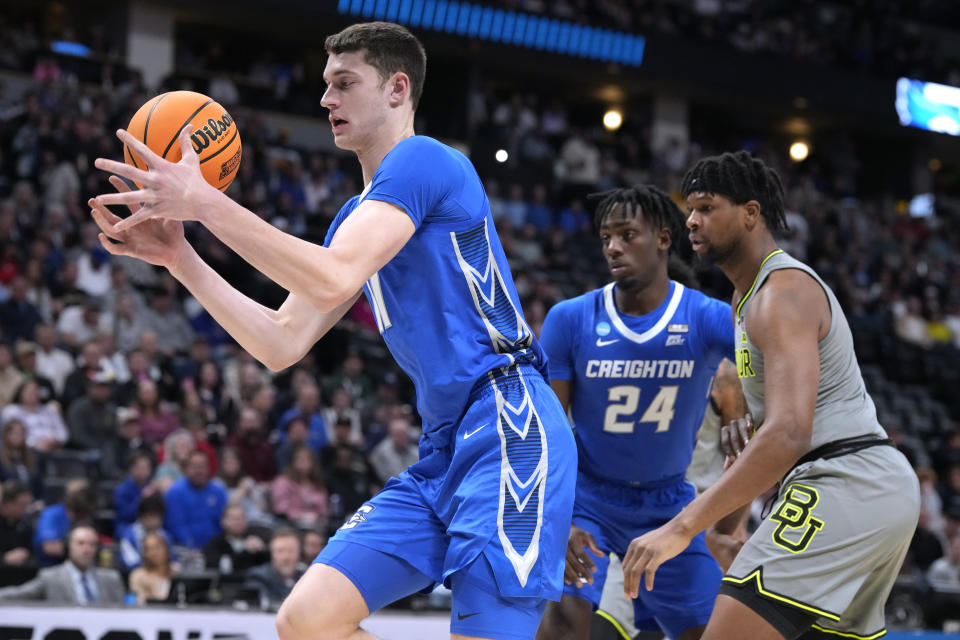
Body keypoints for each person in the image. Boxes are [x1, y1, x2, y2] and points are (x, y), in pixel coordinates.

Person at [90, 20, 576, 640]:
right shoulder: (357, 214)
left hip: (508, 425)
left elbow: (331, 276)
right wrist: (181, 258)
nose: (326, 100)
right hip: (445, 446)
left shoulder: (426, 160)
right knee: (307, 621)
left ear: (398, 89)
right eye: (325, 85)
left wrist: (206, 203)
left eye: (345, 84)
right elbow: (281, 342)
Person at [621, 151, 920, 640]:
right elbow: (772, 436)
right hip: (862, 485)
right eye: (688, 209)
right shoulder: (746, 299)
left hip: (844, 480)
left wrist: (682, 528)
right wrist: (725, 520)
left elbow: (789, 433)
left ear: (750, 213)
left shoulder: (780, 292)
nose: (691, 220)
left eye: (706, 206)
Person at [536, 186, 739, 640]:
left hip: (669, 503)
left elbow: (769, 358)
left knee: (711, 632)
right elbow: (547, 433)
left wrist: (746, 398)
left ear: (664, 239)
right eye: (607, 236)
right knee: (563, 626)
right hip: (588, 498)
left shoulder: (706, 317)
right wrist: (560, 518)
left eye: (628, 234)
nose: (612, 246)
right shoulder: (570, 319)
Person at [0, 524, 125, 604]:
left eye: (92, 544)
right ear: (68, 547)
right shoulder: (50, 577)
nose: (87, 549)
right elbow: (19, 594)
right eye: (81, 543)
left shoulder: (111, 579)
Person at [164, 449, 228, 550]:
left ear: (208, 468)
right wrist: (192, 547)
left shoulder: (218, 491)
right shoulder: (175, 493)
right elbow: (176, 526)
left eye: (202, 466)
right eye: (194, 467)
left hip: (216, 548)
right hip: (184, 549)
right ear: (186, 469)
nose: (199, 471)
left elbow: (224, 522)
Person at [34, 478, 95, 565]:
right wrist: (78, 549)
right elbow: (49, 547)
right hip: (49, 566)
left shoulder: (84, 517)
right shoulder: (52, 514)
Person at [244, 529, 304, 610]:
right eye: (280, 551)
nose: (286, 557)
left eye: (291, 551)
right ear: (272, 553)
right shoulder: (258, 577)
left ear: (299, 553)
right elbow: (263, 604)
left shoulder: (306, 578)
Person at [271, 445, 329, 529]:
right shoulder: (282, 481)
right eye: (300, 459)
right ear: (293, 462)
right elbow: (280, 508)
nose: (304, 463)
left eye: (307, 459)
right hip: (289, 524)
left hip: (315, 525)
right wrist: (301, 516)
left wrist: (316, 516)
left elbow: (323, 509)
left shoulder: (318, 485)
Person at [203, 503, 269, 573]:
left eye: (242, 518)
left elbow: (269, 564)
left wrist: (262, 549)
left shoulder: (257, 537)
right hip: (227, 583)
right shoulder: (215, 544)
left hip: (255, 582)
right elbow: (223, 567)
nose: (239, 522)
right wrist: (246, 551)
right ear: (223, 521)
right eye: (234, 519)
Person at [129, 531, 176, 604]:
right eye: (149, 549)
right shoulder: (138, 576)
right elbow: (138, 602)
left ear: (166, 549)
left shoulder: (177, 572)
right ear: (144, 554)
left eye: (157, 547)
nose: (154, 553)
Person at [0, 481, 33, 567]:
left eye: (27, 504)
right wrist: (4, 558)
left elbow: (31, 552)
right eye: (22, 505)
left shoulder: (25, 525)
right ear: (7, 504)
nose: (26, 509)